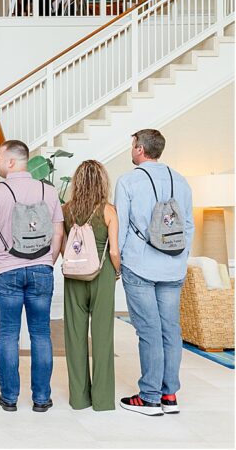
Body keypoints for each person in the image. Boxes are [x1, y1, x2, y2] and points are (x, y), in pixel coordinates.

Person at [0, 139, 64, 413]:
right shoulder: (49, 191)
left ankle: (10, 397)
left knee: (8, 334)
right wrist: (47, 262)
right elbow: (58, 232)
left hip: (6, 271)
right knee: (41, 334)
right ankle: (41, 399)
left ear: (12, 161)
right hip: (42, 269)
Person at [115, 129, 193, 416]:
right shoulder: (181, 181)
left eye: (133, 144)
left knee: (149, 330)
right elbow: (188, 226)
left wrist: (118, 261)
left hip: (140, 264)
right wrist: (180, 258)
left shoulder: (129, 181)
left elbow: (121, 225)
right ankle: (169, 395)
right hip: (173, 266)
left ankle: (149, 397)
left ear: (139, 149)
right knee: (171, 330)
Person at [62, 160, 121, 412]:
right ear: (102, 181)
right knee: (102, 336)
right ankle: (103, 399)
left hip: (74, 275)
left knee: (75, 335)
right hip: (102, 273)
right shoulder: (108, 210)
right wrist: (116, 272)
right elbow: (115, 251)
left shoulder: (67, 210)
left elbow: (66, 246)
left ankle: (79, 398)